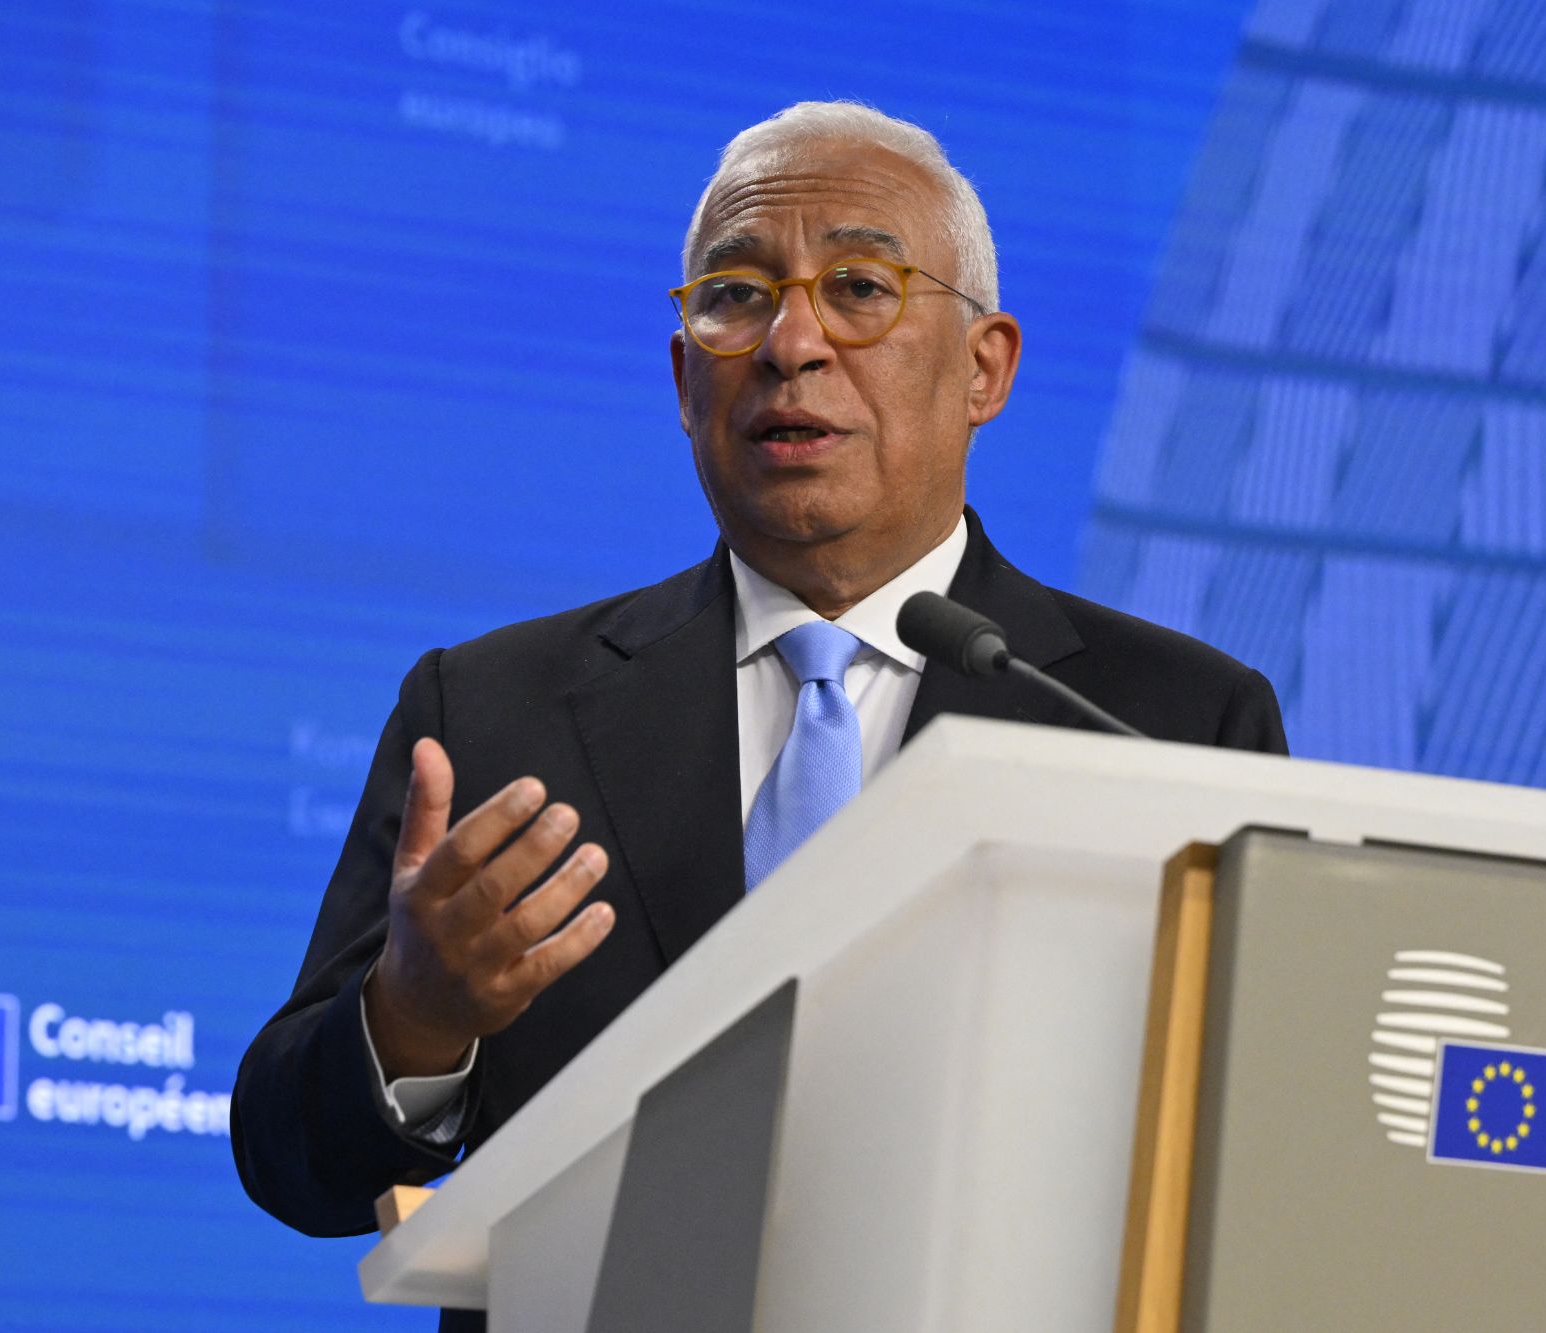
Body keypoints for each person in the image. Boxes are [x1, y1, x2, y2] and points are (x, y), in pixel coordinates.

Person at [232, 101, 1286, 1271]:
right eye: (735, 296)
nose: (790, 343)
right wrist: (412, 1021)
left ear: (982, 368)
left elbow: (1266, 1161)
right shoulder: (490, 711)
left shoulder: (1168, 723)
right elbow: (287, 1160)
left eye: (858, 288)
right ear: (685, 379)